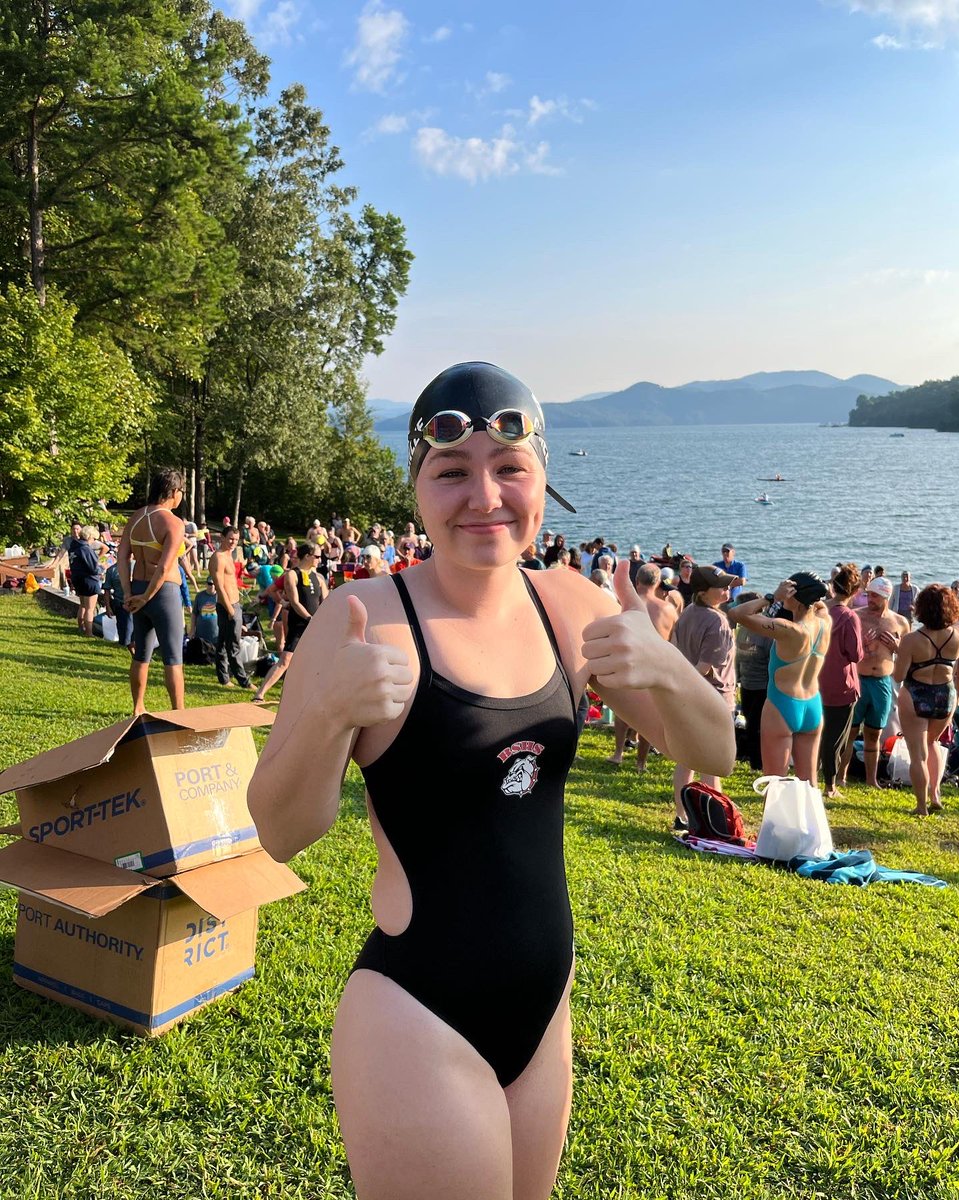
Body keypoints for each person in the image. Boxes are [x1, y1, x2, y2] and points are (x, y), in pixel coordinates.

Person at [247, 361, 733, 1200]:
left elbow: (715, 752)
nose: (484, 496)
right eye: (451, 473)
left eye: (509, 469)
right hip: (415, 1015)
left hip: (544, 1007)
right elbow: (279, 831)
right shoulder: (364, 616)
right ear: (417, 489)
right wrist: (327, 714)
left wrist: (666, 666)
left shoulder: (571, 605)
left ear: (541, 479)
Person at [728, 572, 831, 783]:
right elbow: (821, 606)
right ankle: (807, 817)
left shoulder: (789, 630)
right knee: (809, 784)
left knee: (774, 785)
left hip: (782, 705)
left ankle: (775, 817)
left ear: (794, 595)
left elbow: (738, 613)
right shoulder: (824, 623)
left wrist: (772, 597)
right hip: (812, 705)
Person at [671, 563, 738, 828]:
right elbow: (704, 668)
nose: (727, 590)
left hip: (687, 696)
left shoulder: (688, 612)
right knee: (712, 761)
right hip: (714, 697)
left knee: (686, 759)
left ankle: (681, 815)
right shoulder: (718, 621)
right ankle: (716, 821)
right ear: (703, 591)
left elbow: (676, 651)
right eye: (721, 587)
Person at [116, 468, 187, 713]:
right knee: (173, 656)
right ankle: (179, 712)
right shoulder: (173, 523)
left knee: (142, 653)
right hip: (162, 593)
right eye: (181, 492)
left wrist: (128, 592)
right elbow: (166, 566)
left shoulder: (135, 517)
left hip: (136, 588)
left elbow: (122, 557)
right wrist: (147, 597)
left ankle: (138, 708)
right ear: (174, 492)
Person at [893, 584, 959, 816]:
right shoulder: (957, 636)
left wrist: (898, 650)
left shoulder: (911, 639)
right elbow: (957, 674)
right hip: (946, 695)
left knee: (917, 754)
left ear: (920, 608)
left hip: (916, 694)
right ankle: (935, 796)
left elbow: (899, 676)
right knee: (934, 744)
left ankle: (921, 807)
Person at [840, 576, 909, 788]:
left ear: (886, 596)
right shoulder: (856, 616)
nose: (870, 599)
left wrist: (898, 647)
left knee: (874, 733)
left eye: (875, 596)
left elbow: (908, 653)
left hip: (882, 682)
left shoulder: (900, 622)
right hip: (858, 678)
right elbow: (841, 648)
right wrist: (861, 644)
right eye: (868, 594)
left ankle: (871, 780)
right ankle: (840, 777)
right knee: (850, 731)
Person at [607, 564, 677, 770]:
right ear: (657, 583)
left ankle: (618, 753)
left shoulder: (625, 604)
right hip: (655, 665)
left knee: (623, 711)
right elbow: (672, 640)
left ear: (637, 581)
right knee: (651, 714)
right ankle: (641, 763)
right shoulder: (668, 609)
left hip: (628, 661)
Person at [253, 545, 328, 703]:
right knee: (286, 659)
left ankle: (311, 695)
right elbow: (294, 601)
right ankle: (260, 693)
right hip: (300, 623)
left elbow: (326, 601)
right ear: (307, 556)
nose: (319, 560)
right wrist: (307, 618)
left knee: (317, 660)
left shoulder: (319, 578)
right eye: (317, 556)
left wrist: (323, 620)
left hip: (316, 624)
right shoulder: (292, 575)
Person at [817, 563, 864, 798]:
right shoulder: (849, 617)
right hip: (842, 684)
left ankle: (810, 776)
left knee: (817, 733)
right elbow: (855, 654)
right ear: (855, 591)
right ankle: (830, 785)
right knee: (836, 738)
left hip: (816, 681)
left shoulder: (820, 612)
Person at [732, 592, 772, 772]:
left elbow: (772, 662)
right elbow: (738, 657)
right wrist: (736, 679)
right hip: (746, 684)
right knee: (749, 723)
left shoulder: (767, 630)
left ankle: (759, 764)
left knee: (758, 726)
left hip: (763, 686)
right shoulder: (743, 629)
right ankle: (753, 760)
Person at [209, 527, 253, 691]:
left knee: (223, 643)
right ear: (222, 537)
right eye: (230, 539)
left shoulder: (229, 554)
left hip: (235, 603)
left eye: (236, 539)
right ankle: (244, 681)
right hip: (228, 606)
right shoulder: (218, 557)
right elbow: (219, 586)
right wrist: (230, 610)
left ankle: (223, 677)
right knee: (233, 645)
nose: (233, 542)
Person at [68, 525, 103, 636]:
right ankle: (89, 632)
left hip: (77, 579)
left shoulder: (74, 546)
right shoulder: (85, 549)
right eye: (94, 539)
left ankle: (81, 627)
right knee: (90, 608)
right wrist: (103, 567)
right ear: (89, 537)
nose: (94, 541)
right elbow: (93, 568)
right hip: (89, 580)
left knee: (82, 605)